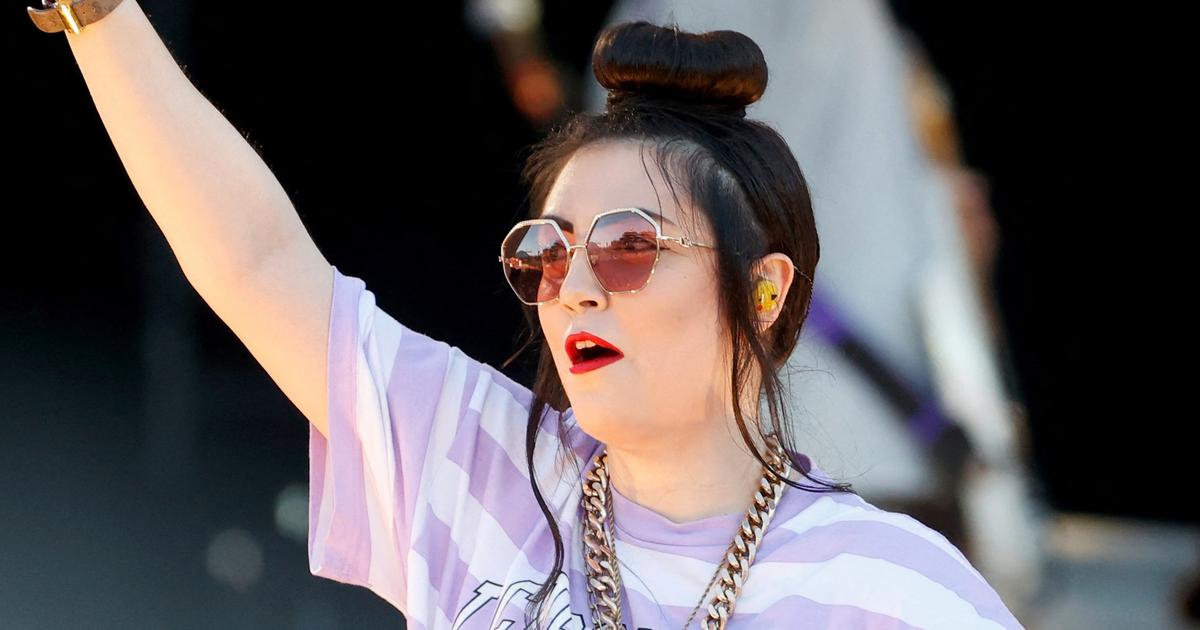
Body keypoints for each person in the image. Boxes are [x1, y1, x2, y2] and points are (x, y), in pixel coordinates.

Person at [37, 0, 1024, 626]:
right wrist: (95, 13)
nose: (575, 286)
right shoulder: (481, 461)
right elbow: (254, 260)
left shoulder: (891, 587)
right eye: (546, 252)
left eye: (630, 247)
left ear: (762, 292)